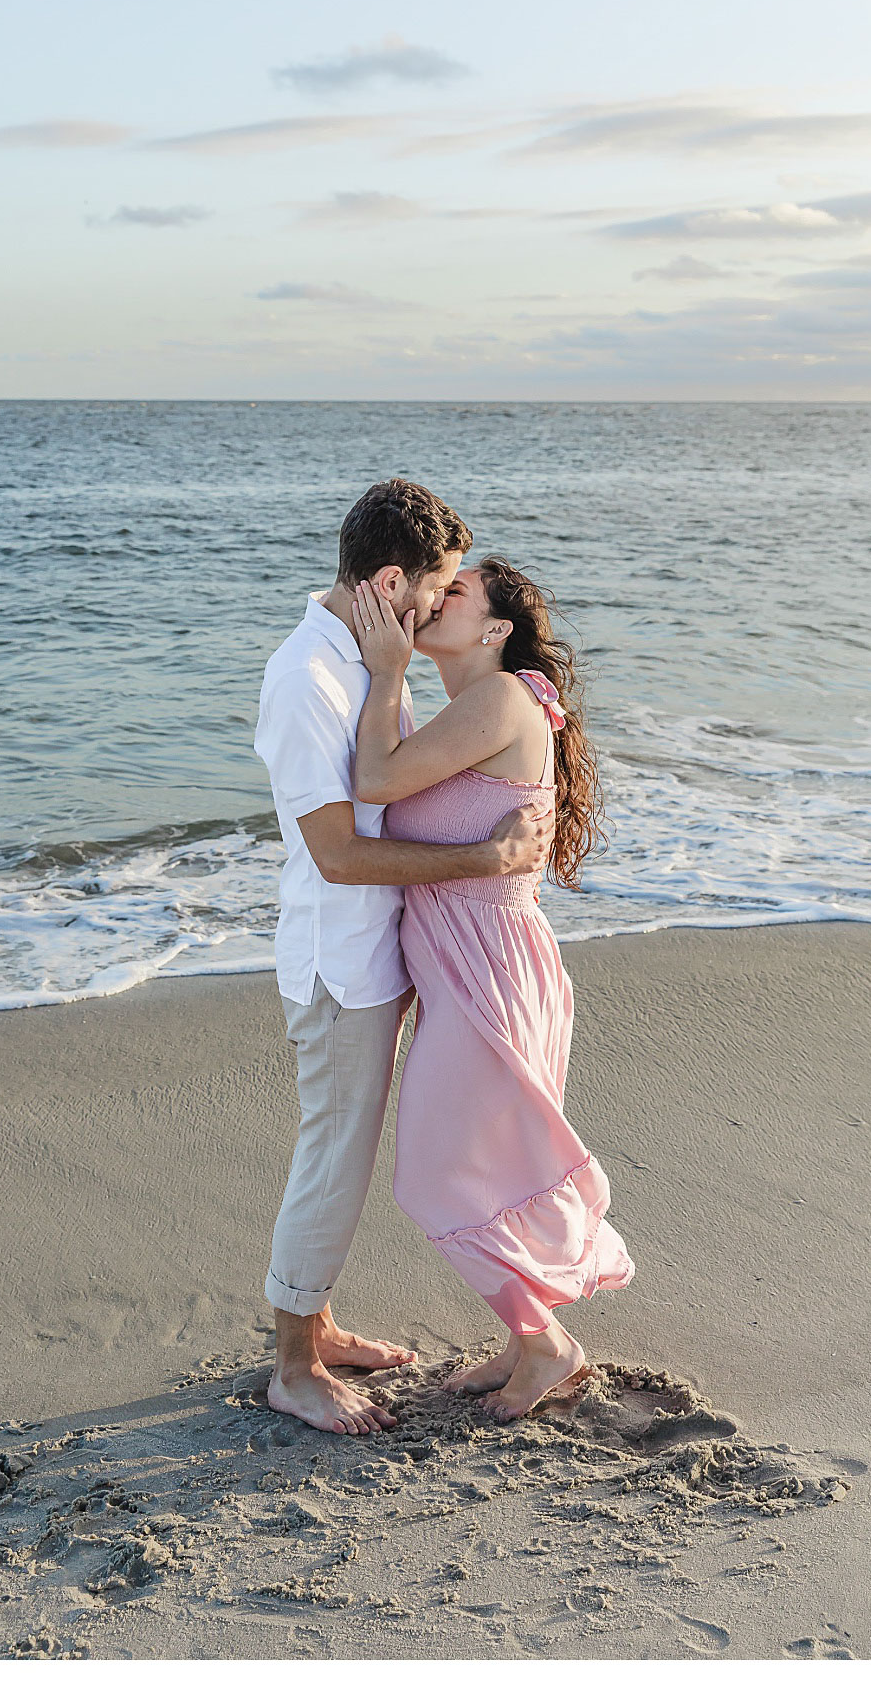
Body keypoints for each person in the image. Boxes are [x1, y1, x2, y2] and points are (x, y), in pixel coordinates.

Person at [253, 483, 552, 1436]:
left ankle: (320, 1321)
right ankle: (293, 1367)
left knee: (352, 1147)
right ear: (391, 580)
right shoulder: (310, 678)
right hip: (341, 960)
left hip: (389, 953)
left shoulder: (370, 658)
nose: (436, 607)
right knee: (335, 1154)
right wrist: (483, 859)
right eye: (436, 589)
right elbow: (339, 854)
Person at [351, 556, 635, 1421]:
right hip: (484, 964)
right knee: (484, 1163)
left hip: (491, 971)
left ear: (495, 630)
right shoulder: (481, 707)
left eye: (457, 593)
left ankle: (546, 1347)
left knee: (437, 1174)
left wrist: (385, 671)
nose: (436, 599)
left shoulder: (501, 700)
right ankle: (524, 1339)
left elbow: (373, 782)